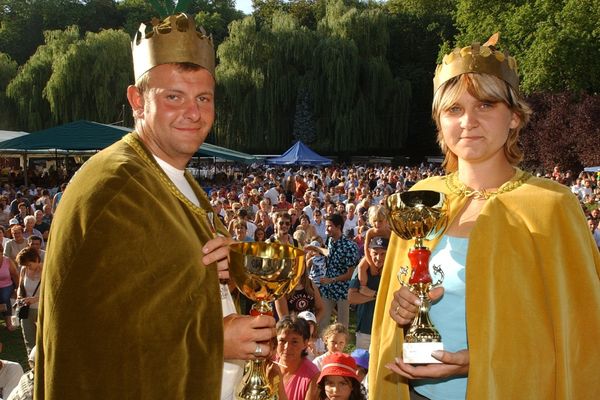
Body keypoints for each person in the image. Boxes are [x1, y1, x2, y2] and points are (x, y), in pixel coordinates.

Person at [35, 14, 275, 399]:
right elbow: (90, 331)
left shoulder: (174, 178)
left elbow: (165, 286)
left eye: (203, 98)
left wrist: (229, 268)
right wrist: (211, 340)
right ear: (136, 100)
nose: (193, 113)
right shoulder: (114, 185)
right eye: (173, 97)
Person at [369, 34, 600, 399]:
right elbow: (395, 302)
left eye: (486, 105)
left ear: (514, 118)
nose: (468, 122)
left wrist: (479, 359)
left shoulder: (551, 205)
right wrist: (402, 308)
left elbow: (581, 333)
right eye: (454, 109)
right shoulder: (422, 198)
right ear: (440, 122)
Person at [316, 214, 359, 332]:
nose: (326, 229)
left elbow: (350, 274)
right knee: (321, 323)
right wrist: (316, 249)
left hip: (343, 291)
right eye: (326, 226)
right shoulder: (330, 240)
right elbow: (329, 253)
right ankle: (320, 348)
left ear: (338, 227)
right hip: (328, 289)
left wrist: (332, 279)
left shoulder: (349, 247)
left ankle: (341, 349)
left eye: (329, 226)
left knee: (342, 326)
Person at [348, 236, 388, 350]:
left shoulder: (393, 271)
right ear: (369, 253)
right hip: (365, 328)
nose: (378, 258)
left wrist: (371, 293)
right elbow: (352, 297)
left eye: (383, 254)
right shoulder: (361, 270)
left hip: (387, 329)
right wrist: (378, 296)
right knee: (363, 365)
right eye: (375, 253)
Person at [275, 315, 320, 400]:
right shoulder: (267, 364)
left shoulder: (313, 376)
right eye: (282, 341)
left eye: (294, 342)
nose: (287, 347)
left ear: (305, 343)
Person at [357, 205, 390, 293]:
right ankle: (363, 287)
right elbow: (366, 249)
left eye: (380, 221)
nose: (377, 224)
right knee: (361, 266)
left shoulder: (389, 233)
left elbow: (392, 251)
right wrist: (371, 265)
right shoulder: (370, 232)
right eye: (375, 221)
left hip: (386, 256)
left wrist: (384, 266)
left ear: (386, 220)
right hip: (372, 254)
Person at [16, 247, 42, 353]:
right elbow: (20, 287)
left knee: (42, 339)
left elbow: (52, 294)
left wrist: (35, 299)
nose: (27, 267)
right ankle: (33, 365)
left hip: (41, 310)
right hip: (26, 310)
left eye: (29, 264)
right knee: (29, 341)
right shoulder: (24, 270)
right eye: (25, 265)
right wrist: (19, 297)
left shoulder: (46, 270)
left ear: (36, 259)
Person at [0, 242, 18, 331]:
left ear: (1, 252)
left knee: (4, 298)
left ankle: (9, 324)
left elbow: (15, 275)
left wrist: (18, 288)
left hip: (6, 285)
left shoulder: (7, 261)